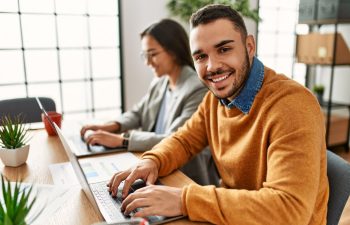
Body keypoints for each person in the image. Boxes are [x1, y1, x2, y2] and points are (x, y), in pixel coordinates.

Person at [107, 4, 329, 225]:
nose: (212, 66)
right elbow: (183, 141)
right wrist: (152, 161)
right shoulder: (214, 100)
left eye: (224, 49)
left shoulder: (292, 106)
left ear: (249, 46)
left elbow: (289, 210)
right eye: (201, 56)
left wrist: (185, 200)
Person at [80, 19, 218, 185]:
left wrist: (122, 140)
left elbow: (175, 140)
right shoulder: (161, 82)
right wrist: (110, 126)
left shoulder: (197, 88)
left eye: (152, 54)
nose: (147, 62)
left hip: (184, 177)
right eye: (145, 55)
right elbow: (138, 113)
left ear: (173, 51)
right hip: (154, 165)